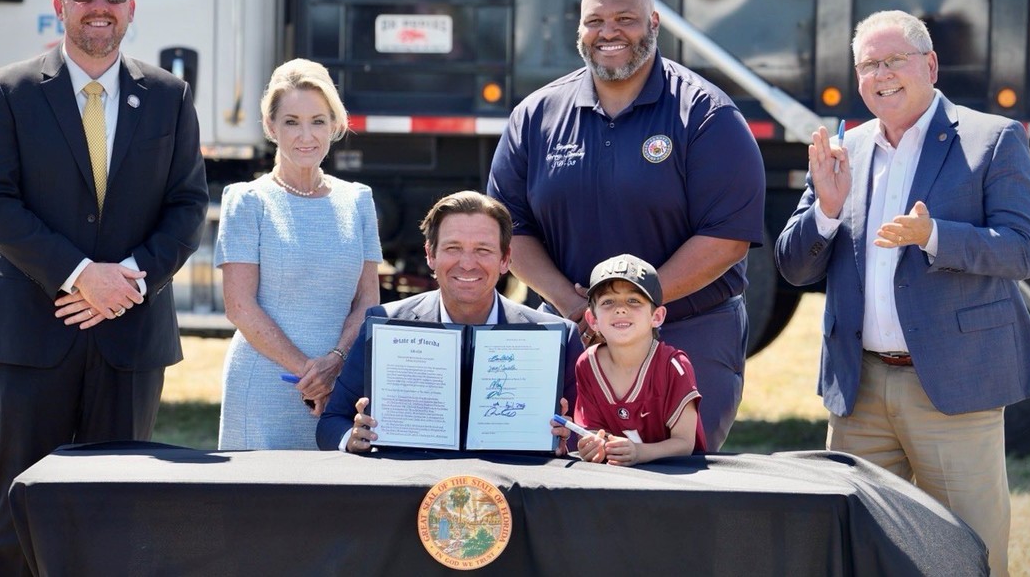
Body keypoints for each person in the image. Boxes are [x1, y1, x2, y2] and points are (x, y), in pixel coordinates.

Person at [775, 10, 1030, 576]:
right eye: (868, 65)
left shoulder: (992, 139)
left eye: (894, 60)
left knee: (970, 554)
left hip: (953, 386)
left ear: (931, 64)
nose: (882, 74)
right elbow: (793, 267)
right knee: (856, 552)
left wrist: (934, 236)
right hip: (860, 391)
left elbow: (1023, 249)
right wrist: (826, 211)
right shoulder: (845, 149)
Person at [0, 0, 208, 575]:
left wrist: (127, 282)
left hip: (131, 334)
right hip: (34, 330)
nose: (99, 7)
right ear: (60, 8)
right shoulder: (9, 91)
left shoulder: (169, 95)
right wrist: (80, 275)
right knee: (20, 511)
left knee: (119, 512)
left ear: (130, 8)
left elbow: (187, 205)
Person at [487, 0, 765, 450]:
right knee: (559, 473)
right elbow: (510, 228)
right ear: (579, 29)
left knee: (675, 477)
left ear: (654, 23)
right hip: (574, 332)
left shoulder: (705, 115)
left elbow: (726, 237)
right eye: (594, 21)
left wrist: (633, 307)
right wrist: (577, 307)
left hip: (685, 332)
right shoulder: (536, 115)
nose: (608, 32)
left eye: (625, 19)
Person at [316, 191, 583, 452]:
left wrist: (567, 441)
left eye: (483, 250)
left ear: (505, 259)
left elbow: (584, 433)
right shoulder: (384, 326)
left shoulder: (557, 338)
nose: (467, 264)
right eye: (453, 248)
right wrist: (353, 438)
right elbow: (331, 423)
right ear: (430, 254)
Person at [215, 59, 381, 449]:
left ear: (335, 125)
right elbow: (239, 306)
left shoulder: (358, 200)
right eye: (291, 122)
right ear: (270, 126)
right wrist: (311, 375)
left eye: (318, 121)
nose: (306, 136)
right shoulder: (247, 200)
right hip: (264, 389)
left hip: (339, 392)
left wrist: (336, 364)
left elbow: (367, 301)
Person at [573, 254, 708, 465]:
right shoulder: (587, 364)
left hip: (673, 477)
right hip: (613, 479)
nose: (620, 309)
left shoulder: (674, 365)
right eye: (608, 302)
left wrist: (639, 453)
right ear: (592, 319)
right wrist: (593, 447)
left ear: (657, 316)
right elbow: (592, 431)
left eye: (634, 300)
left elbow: (684, 443)